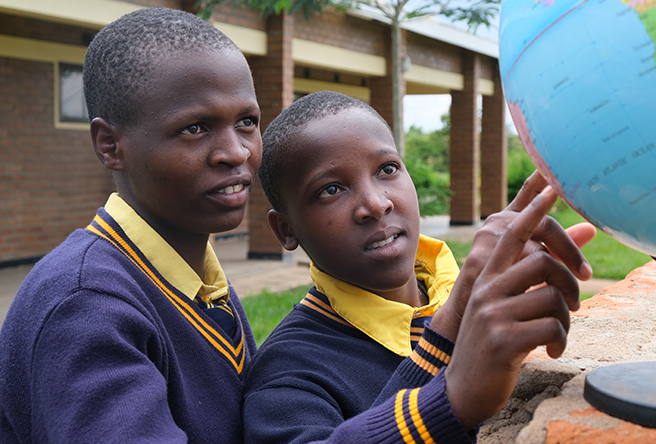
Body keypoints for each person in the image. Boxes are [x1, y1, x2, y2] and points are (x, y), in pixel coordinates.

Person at [244, 91, 596, 443]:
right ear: (286, 230)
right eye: (331, 189)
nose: (376, 204)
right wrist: (451, 359)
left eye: (387, 169)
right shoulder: (288, 373)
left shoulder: (463, 294)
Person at [0, 7, 261, 443]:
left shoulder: (197, 282)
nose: (235, 152)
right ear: (110, 145)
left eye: (246, 122)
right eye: (195, 128)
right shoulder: (85, 304)